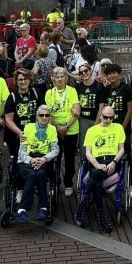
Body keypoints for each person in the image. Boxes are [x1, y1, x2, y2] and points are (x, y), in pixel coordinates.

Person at [75, 106, 126, 234]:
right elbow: (88, 153)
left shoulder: (118, 128)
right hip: (96, 162)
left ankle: (84, 200)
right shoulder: (91, 131)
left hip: (112, 161)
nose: (108, 120)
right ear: (100, 116)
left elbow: (122, 149)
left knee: (95, 176)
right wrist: (97, 164)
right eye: (105, 117)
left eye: (111, 117)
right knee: (97, 181)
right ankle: (101, 216)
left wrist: (114, 162)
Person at [16, 105, 59, 224]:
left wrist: (45, 159)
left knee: (39, 174)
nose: (44, 117)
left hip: (43, 159)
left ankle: (41, 209)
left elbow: (55, 149)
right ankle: (24, 209)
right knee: (32, 175)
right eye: (41, 115)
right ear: (37, 116)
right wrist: (30, 160)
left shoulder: (52, 129)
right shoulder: (28, 128)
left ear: (49, 117)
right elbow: (22, 150)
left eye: (47, 115)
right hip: (27, 159)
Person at [44, 67, 81, 197]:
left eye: (62, 76)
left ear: (66, 78)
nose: (59, 79)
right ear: (53, 79)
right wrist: (58, 128)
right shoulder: (49, 93)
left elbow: (77, 112)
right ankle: (55, 182)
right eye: (57, 77)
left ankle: (69, 183)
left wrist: (66, 126)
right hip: (55, 130)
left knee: (69, 159)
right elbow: (48, 114)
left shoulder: (72, 91)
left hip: (71, 130)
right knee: (55, 158)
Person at [100, 63, 132, 173]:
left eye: (114, 73)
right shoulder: (107, 89)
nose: (112, 76)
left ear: (119, 74)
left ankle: (130, 183)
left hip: (123, 126)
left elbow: (130, 110)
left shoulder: (127, 88)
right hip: (109, 125)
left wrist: (122, 128)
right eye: (109, 74)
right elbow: (104, 108)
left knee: (126, 152)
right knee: (111, 151)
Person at [4, 68, 44, 158]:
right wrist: (20, 133)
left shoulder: (37, 93)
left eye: (25, 79)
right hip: (18, 133)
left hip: (36, 131)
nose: (23, 82)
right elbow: (8, 119)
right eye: (20, 79)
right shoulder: (12, 97)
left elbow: (44, 113)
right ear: (16, 81)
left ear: (30, 80)